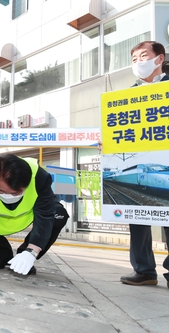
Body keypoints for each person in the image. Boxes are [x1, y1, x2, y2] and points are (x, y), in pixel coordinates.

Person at [0, 153, 68, 277]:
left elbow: (45, 215)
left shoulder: (40, 177)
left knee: (59, 215)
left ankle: (24, 256)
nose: (7, 196)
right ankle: (3, 253)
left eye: (14, 193)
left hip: (28, 213)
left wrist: (31, 252)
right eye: (0, 190)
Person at [118, 41, 169, 287]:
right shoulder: (128, 94)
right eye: (134, 58)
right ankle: (144, 271)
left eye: (143, 56)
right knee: (137, 216)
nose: (138, 62)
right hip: (142, 158)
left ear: (159, 59)